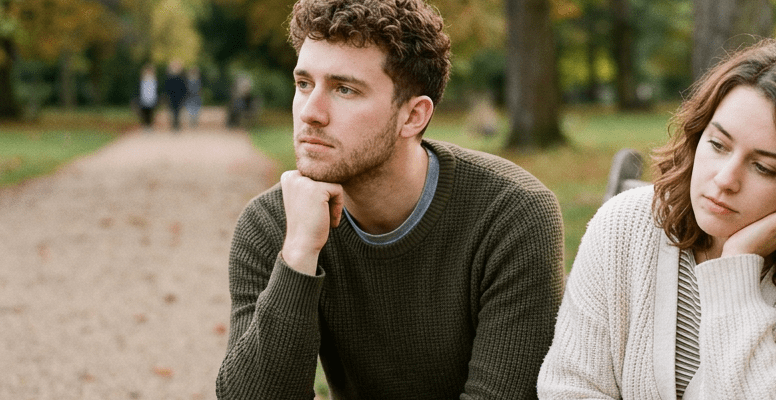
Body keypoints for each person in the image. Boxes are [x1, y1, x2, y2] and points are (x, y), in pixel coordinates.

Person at [215, 0, 565, 398]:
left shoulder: (510, 215)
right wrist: (297, 255)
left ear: (413, 116)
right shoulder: (272, 224)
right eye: (304, 84)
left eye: (344, 89)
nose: (310, 112)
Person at [538, 38, 776, 399]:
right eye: (718, 145)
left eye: (764, 167)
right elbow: (569, 387)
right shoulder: (626, 224)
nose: (725, 179)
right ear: (697, 135)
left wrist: (736, 270)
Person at [165, 60, 187, 131]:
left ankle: (177, 124)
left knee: (178, 111)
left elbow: (184, 88)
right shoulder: (169, 77)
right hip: (171, 97)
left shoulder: (182, 77)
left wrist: (184, 96)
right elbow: (166, 88)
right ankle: (174, 124)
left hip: (179, 97)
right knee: (172, 111)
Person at [138, 64, 158, 129]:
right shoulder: (142, 80)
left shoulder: (154, 80)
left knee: (151, 112)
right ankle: (145, 124)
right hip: (144, 98)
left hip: (152, 98)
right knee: (144, 112)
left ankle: (149, 125)